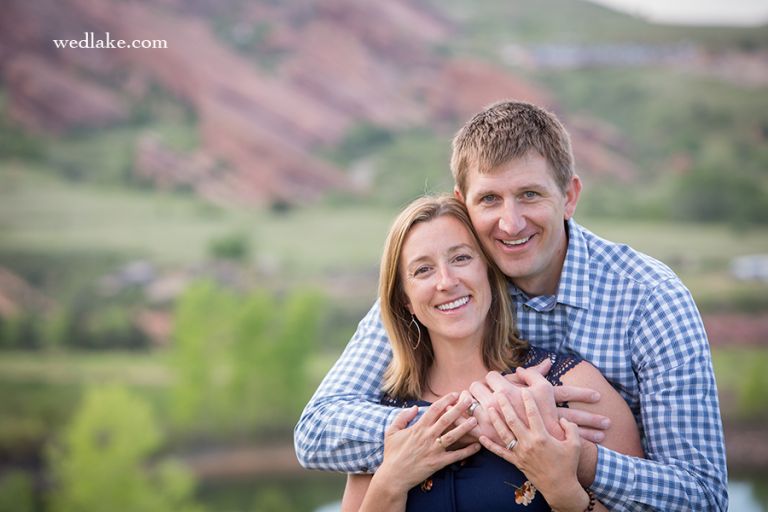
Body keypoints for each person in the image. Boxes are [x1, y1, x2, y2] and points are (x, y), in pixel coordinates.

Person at [295, 100, 728, 510]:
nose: (511, 222)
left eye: (530, 195)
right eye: (489, 199)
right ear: (463, 204)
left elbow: (704, 497)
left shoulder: (650, 298)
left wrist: (574, 456)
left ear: (569, 196)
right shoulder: (449, 289)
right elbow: (317, 431)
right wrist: (472, 418)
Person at [339, 195, 643, 511]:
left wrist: (564, 491)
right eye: (423, 270)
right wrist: (391, 480)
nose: (446, 281)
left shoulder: (570, 389)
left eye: (460, 259)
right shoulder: (389, 414)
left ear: (488, 269)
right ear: (405, 298)